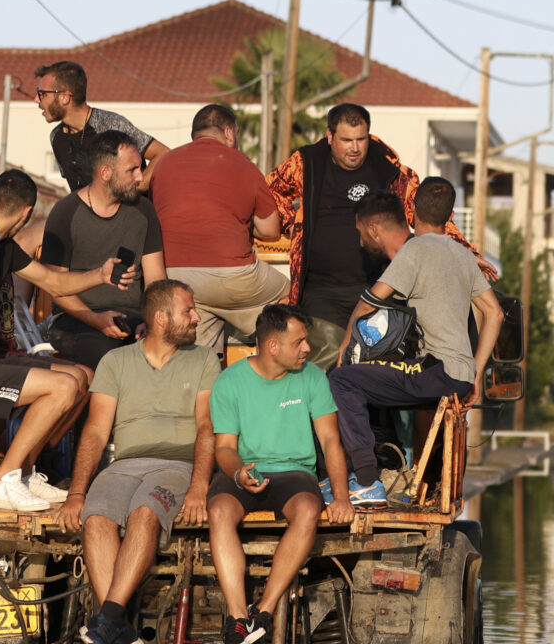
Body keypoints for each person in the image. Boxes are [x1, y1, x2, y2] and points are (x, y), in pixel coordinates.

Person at [0, 169, 132, 512]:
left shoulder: (0, 244)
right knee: (61, 388)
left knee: (81, 377)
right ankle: (2, 481)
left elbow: (53, 283)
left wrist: (99, 275)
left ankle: (24, 472)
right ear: (27, 212)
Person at [56, 280, 217, 644]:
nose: (196, 317)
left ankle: (109, 620)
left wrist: (199, 487)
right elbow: (95, 431)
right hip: (124, 465)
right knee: (95, 518)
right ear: (161, 318)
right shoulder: (116, 362)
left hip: (176, 464)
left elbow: (208, 427)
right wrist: (77, 493)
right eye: (188, 310)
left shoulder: (205, 359)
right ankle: (118, 629)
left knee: (144, 513)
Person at [266, 102, 496, 368]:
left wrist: (465, 251)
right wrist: (293, 224)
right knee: (325, 369)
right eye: (346, 140)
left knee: (376, 372)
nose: (354, 147)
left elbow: (426, 211)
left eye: (361, 139)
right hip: (320, 292)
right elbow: (268, 191)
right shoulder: (306, 162)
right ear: (330, 137)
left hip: (377, 289)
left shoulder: (386, 168)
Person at [328, 194, 503, 506]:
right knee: (373, 379)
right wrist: (476, 374)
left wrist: (347, 341)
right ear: (449, 215)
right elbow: (495, 314)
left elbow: (372, 299)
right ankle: (372, 471)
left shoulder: (415, 249)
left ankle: (365, 479)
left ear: (413, 210)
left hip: (435, 371)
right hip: (458, 375)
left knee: (342, 379)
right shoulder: (462, 254)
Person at [207, 304, 355, 644]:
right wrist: (238, 472)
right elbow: (225, 447)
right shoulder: (230, 380)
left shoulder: (313, 377)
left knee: (306, 510)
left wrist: (341, 496)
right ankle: (237, 618)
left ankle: (264, 612)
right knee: (218, 513)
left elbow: (331, 440)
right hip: (246, 470)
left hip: (294, 472)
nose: (307, 348)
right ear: (273, 346)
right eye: (300, 341)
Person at [150, 102, 288, 350]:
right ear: (229, 132)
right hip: (232, 275)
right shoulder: (242, 162)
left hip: (175, 276)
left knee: (199, 355)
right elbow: (270, 231)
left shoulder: (164, 163)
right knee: (293, 294)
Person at [39, 131, 165, 370]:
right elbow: (55, 287)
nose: (140, 177)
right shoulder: (65, 213)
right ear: (105, 173)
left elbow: (156, 280)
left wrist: (151, 320)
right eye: (132, 170)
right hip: (76, 319)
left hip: (133, 318)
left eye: (141, 168)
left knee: (170, 347)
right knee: (112, 357)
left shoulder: (144, 211)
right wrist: (96, 320)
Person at [34, 60, 166, 191]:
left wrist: (134, 188)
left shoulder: (111, 124)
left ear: (65, 97)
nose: (36, 99)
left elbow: (163, 154)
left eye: (42, 94)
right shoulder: (57, 137)